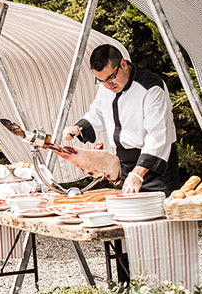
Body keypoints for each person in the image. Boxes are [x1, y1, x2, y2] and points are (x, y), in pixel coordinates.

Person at [63, 44, 179, 194]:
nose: (107, 84)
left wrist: (138, 173)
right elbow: (98, 111)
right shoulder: (107, 86)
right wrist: (79, 128)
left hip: (155, 168)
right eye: (101, 80)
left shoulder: (151, 87)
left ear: (123, 64)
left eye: (111, 77)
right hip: (124, 166)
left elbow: (158, 134)